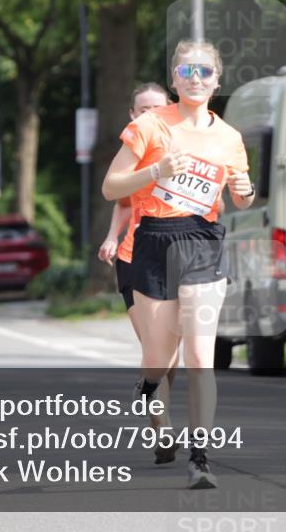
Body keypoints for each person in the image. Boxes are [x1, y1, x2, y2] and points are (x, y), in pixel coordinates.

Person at [102, 41, 255, 489]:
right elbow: (112, 187)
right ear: (174, 79)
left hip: (202, 242)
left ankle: (200, 456)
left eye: (204, 70)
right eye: (186, 69)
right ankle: (148, 386)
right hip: (153, 241)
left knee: (199, 356)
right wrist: (156, 172)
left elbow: (241, 197)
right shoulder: (150, 125)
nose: (195, 77)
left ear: (217, 80)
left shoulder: (229, 138)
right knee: (158, 359)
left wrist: (245, 190)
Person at [96, 83, 180, 463]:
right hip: (135, 257)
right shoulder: (132, 154)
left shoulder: (183, 148)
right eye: (142, 109)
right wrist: (112, 238)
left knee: (171, 357)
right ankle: (163, 430)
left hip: (178, 256)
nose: (149, 114)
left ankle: (149, 389)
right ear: (132, 115)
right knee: (154, 345)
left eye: (156, 107)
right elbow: (123, 202)